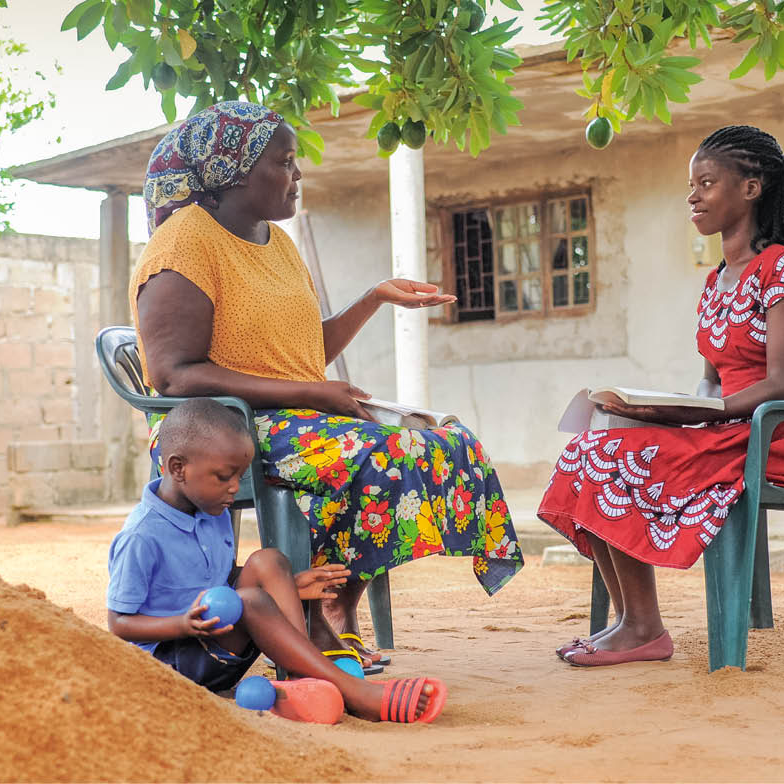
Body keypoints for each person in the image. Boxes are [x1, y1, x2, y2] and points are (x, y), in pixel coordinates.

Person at [129, 101, 524, 668]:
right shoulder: (184, 244)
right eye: (284, 162)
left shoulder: (276, 242)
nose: (297, 175)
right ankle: (325, 615)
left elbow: (302, 354)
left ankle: (333, 605)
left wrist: (374, 299)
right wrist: (312, 393)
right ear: (234, 172)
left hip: (290, 415)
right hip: (217, 427)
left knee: (444, 439)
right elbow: (173, 375)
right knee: (387, 455)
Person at [539, 125, 784, 666]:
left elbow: (783, 384)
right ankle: (632, 620)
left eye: (706, 183)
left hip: (783, 433)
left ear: (750, 189)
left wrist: (706, 414)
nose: (693, 196)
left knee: (612, 459)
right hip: (731, 426)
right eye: (691, 185)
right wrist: (666, 411)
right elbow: (711, 380)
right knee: (591, 446)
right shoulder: (716, 280)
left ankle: (644, 628)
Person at [106, 397, 447, 723]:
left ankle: (300, 676)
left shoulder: (211, 511)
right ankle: (359, 694)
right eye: (224, 477)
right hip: (174, 660)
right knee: (251, 601)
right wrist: (182, 624)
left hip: (218, 643)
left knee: (268, 561)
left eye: (239, 477)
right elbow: (119, 624)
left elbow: (221, 584)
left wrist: (289, 587)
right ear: (178, 468)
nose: (234, 488)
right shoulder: (141, 537)